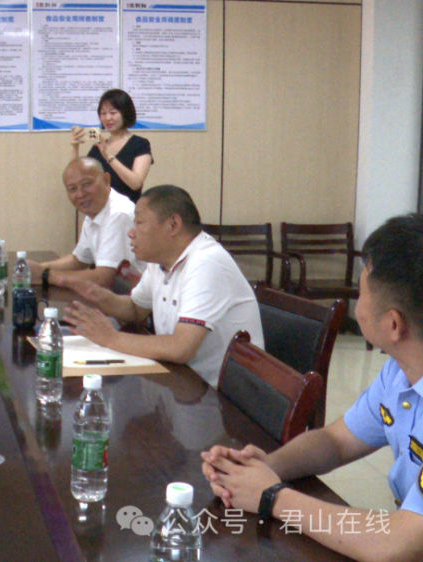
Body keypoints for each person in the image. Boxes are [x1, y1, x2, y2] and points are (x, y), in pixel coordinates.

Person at [201, 214, 423, 562]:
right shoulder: (399, 372)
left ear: (393, 324)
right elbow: (336, 441)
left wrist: (271, 496)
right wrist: (268, 466)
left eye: (361, 293)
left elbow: (397, 542)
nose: (357, 305)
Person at [63, 185, 263, 387]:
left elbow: (181, 348)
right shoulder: (160, 261)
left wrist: (111, 338)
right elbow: (136, 309)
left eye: (139, 222)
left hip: (220, 394)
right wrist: (101, 297)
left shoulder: (206, 262)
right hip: (181, 380)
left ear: (173, 225)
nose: (131, 232)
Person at [29, 157, 144, 291]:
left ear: (106, 180)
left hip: (137, 299)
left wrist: (45, 275)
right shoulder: (96, 211)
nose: (80, 194)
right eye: (73, 189)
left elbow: (104, 278)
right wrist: (38, 268)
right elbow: (79, 260)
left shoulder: (118, 214)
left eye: (87, 184)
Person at [70, 88, 153, 203]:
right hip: (99, 209)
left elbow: (135, 183)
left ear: (125, 114)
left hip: (128, 210)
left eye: (113, 113)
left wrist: (108, 156)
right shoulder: (98, 147)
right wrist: (75, 148)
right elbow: (76, 177)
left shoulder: (140, 144)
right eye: (103, 113)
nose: (107, 118)